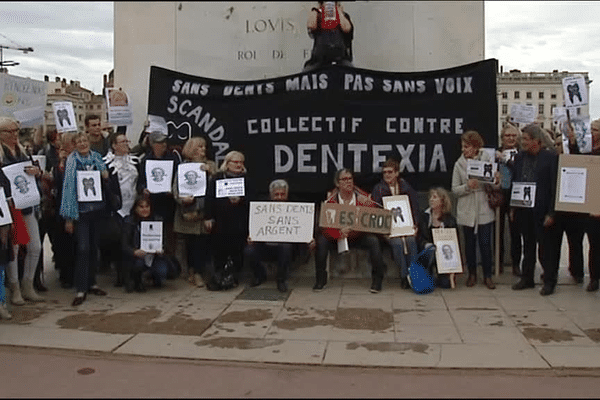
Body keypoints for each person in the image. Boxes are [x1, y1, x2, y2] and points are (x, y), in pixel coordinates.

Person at [313, 168, 386, 293]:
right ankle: (320, 279)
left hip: (357, 235)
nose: (348, 182)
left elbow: (372, 219)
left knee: (373, 241)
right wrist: (339, 234)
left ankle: (377, 280)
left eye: (350, 179)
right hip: (337, 237)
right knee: (321, 242)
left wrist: (368, 204)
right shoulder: (330, 201)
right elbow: (325, 228)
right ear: (337, 183)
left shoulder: (362, 197)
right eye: (344, 179)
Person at [59, 132, 110, 306]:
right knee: (83, 248)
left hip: (97, 210)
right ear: (74, 144)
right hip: (80, 213)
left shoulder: (97, 158)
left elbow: (106, 180)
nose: (82, 144)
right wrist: (68, 218)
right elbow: (68, 189)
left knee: (94, 248)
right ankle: (81, 288)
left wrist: (105, 175)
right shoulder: (72, 162)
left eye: (84, 141)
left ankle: (92, 283)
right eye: (78, 141)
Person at [510, 124, 559, 295]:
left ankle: (549, 281)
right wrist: (513, 207)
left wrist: (552, 212)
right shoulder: (519, 158)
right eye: (522, 139)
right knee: (528, 246)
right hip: (524, 209)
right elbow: (515, 181)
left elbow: (554, 187)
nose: (522, 142)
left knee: (546, 248)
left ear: (537, 141)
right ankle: (527, 278)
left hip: (543, 210)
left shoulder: (550, 158)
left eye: (526, 139)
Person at [0, 116, 45, 305]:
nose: (14, 135)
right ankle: (15, 287)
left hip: (26, 204)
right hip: (8, 207)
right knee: (14, 249)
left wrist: (38, 172)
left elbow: (35, 171)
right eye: (9, 131)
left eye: (16, 131)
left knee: (35, 246)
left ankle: (28, 284)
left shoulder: (23, 150)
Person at [451, 130, 497, 289]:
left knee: (485, 244)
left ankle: (487, 276)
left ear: (476, 147)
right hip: (467, 209)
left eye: (467, 146)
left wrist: (495, 179)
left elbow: (493, 184)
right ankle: (471, 274)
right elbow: (454, 190)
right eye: (463, 147)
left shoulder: (486, 159)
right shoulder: (459, 164)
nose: (464, 150)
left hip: (483, 207)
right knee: (469, 245)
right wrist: (467, 187)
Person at [173, 136, 217, 288]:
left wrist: (211, 173)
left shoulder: (211, 165)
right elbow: (176, 189)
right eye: (199, 147)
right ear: (191, 149)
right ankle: (193, 272)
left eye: (204, 147)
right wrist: (182, 199)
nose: (203, 150)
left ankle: (199, 272)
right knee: (190, 244)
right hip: (188, 212)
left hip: (205, 211)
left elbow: (218, 186)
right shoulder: (183, 167)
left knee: (202, 243)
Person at [205, 150, 252, 290]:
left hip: (239, 221)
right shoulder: (217, 178)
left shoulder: (246, 179)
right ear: (227, 163)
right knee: (219, 249)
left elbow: (252, 199)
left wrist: (241, 200)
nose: (238, 165)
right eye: (235, 162)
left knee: (237, 250)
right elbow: (209, 199)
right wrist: (208, 217)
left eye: (241, 162)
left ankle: (234, 276)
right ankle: (219, 274)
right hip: (220, 221)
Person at [244, 179, 301, 293]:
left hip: (285, 248)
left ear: (287, 194)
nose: (279, 197)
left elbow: (301, 229)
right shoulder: (261, 208)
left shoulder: (295, 207)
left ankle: (281, 279)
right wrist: (250, 236)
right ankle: (259, 275)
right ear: (270, 195)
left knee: (286, 247)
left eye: (282, 194)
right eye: (276, 194)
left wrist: (309, 239)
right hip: (264, 246)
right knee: (248, 250)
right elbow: (253, 226)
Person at [371, 158, 419, 289]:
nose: (387, 175)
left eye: (390, 172)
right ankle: (404, 276)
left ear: (397, 173)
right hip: (388, 230)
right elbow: (376, 212)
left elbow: (414, 208)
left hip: (406, 226)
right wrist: (384, 231)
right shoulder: (378, 189)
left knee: (411, 241)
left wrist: (415, 225)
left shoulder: (406, 187)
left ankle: (414, 274)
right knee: (397, 243)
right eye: (385, 172)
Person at [548, 127, 585, 285]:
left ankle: (577, 272)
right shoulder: (550, 161)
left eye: (561, 143)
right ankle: (551, 275)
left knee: (575, 244)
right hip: (555, 210)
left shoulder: (576, 159)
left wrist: (572, 141)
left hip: (574, 211)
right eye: (556, 144)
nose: (558, 147)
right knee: (553, 246)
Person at [103, 132, 140, 290]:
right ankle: (120, 275)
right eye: (122, 141)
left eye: (127, 140)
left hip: (133, 206)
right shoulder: (106, 163)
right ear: (114, 145)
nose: (126, 143)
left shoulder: (135, 161)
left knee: (130, 239)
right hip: (116, 209)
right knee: (119, 242)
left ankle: (131, 274)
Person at [137, 131, 179, 260]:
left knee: (170, 234)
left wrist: (173, 189)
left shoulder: (173, 158)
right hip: (152, 203)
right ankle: (152, 263)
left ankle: (170, 263)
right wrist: (144, 189)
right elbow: (140, 182)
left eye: (164, 142)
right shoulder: (145, 160)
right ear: (152, 144)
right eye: (159, 142)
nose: (163, 145)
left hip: (169, 202)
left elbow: (178, 179)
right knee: (153, 233)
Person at [122, 195, 168, 292]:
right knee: (139, 263)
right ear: (135, 208)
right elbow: (124, 245)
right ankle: (136, 280)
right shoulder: (129, 221)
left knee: (162, 271)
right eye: (141, 207)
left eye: (147, 206)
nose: (144, 209)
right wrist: (134, 251)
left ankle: (154, 277)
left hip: (154, 256)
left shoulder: (157, 220)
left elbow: (164, 241)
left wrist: (162, 249)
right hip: (137, 256)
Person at [417, 187, 458, 288]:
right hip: (428, 251)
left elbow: (454, 244)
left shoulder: (450, 220)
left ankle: (442, 276)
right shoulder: (425, 216)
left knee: (445, 284)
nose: (431, 199)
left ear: (442, 200)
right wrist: (426, 244)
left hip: (443, 255)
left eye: (434, 197)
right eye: (430, 197)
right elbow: (420, 237)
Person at [495, 123, 522, 276]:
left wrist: (506, 161)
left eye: (513, 135)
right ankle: (498, 263)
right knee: (497, 231)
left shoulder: (521, 154)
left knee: (515, 233)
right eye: (507, 135)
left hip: (515, 195)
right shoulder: (495, 153)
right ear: (502, 137)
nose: (510, 138)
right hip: (499, 194)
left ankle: (516, 264)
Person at [53, 133, 77, 289]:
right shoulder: (60, 162)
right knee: (64, 243)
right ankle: (66, 275)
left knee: (75, 244)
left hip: (77, 207)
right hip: (61, 207)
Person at [303, 1, 354, 71]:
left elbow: (347, 28)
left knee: (350, 70)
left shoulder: (343, 16)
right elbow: (311, 26)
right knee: (307, 71)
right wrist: (316, 11)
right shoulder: (317, 15)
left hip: (341, 58)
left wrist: (339, 11)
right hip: (319, 59)